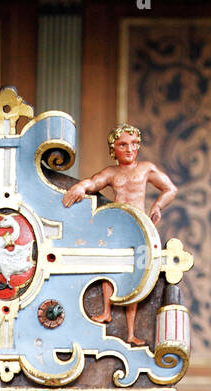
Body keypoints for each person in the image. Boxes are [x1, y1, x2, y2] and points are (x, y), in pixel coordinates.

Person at [62, 124, 177, 345]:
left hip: (139, 226)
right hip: (118, 226)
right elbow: (94, 182)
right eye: (123, 145)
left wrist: (158, 207)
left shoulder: (145, 169)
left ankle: (131, 333)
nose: (129, 149)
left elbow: (170, 188)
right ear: (113, 149)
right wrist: (81, 188)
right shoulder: (112, 173)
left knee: (135, 276)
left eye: (133, 144)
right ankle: (106, 311)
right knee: (111, 266)